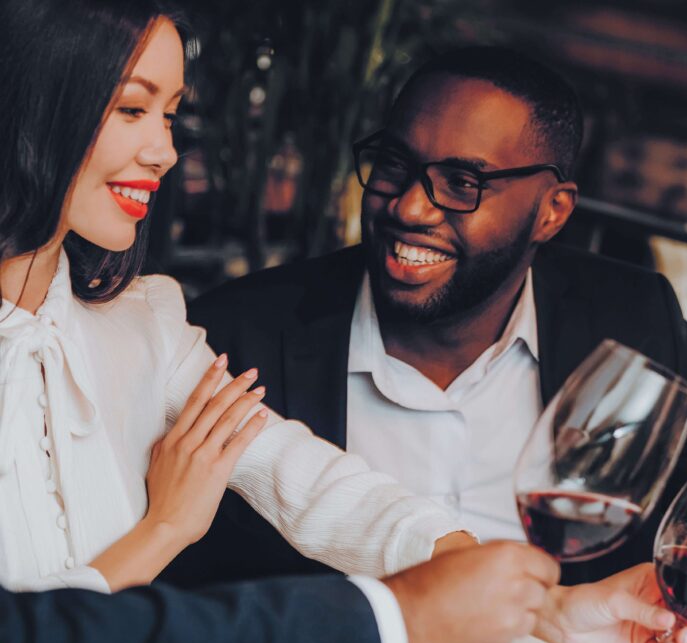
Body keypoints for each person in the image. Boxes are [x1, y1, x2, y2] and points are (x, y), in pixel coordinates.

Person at [167, 45, 687, 589]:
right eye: (395, 165)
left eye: (463, 183)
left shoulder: (634, 320)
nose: (409, 208)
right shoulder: (237, 338)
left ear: (552, 210)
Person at [0, 0, 478, 596]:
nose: (164, 152)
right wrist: (165, 529)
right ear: (31, 100)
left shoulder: (146, 321)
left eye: (170, 115)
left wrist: (477, 568)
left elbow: (298, 474)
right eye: (131, 108)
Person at [2, 541, 687, 643]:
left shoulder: (149, 315)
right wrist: (399, 620)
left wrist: (541, 607)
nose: (164, 149)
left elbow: (312, 472)